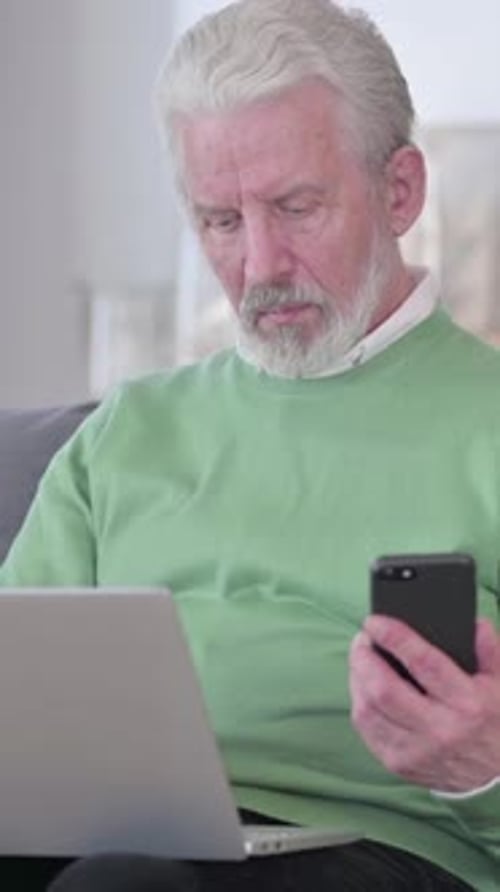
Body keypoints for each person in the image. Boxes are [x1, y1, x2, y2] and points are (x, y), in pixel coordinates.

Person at [1, 0, 499, 889]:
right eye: (221, 222)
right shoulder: (126, 434)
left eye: (296, 208)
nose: (260, 267)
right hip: (110, 831)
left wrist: (485, 770)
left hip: (382, 851)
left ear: (399, 191)